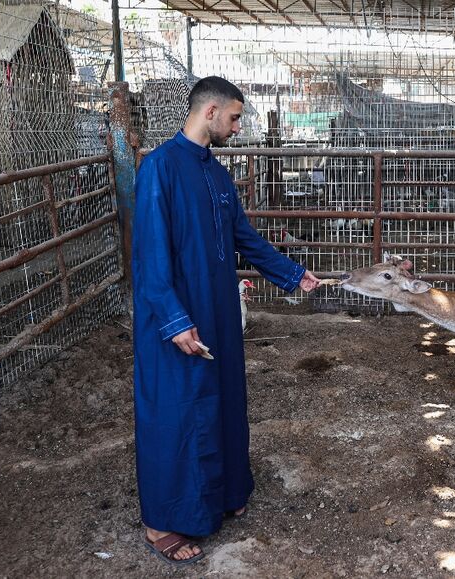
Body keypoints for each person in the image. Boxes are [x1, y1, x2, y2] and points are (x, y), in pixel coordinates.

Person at [132, 76, 320, 566]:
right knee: (176, 411)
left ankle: (218, 493)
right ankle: (161, 521)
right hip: (176, 315)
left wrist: (291, 274)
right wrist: (174, 321)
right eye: (235, 118)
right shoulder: (159, 168)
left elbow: (244, 237)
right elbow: (150, 258)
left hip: (217, 310)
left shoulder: (217, 176)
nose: (239, 127)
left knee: (223, 401)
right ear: (210, 111)